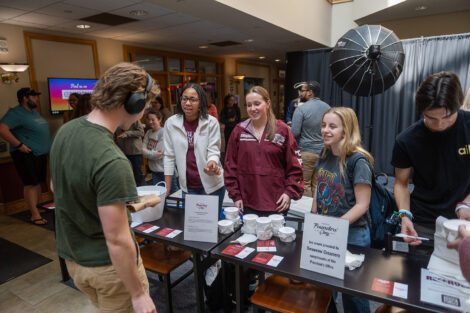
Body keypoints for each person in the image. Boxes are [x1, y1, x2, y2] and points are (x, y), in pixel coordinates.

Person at [49, 62, 158, 313]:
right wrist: (138, 293)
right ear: (134, 103)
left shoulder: (65, 131)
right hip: (111, 271)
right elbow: (117, 240)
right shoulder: (113, 160)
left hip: (75, 262)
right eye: (146, 105)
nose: (144, 112)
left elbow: (58, 188)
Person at [392, 72, 470, 249]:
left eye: (447, 117)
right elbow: (401, 183)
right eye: (431, 118)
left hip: (464, 221)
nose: (440, 125)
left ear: (461, 102)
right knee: (416, 273)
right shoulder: (407, 140)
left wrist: (467, 204)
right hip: (424, 223)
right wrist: (404, 215)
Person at [311, 107, 373, 313]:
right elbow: (319, 187)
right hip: (328, 232)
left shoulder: (358, 161)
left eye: (332, 126)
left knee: (353, 295)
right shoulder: (325, 153)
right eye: (323, 125)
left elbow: (362, 205)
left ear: (345, 131)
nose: (325, 130)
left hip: (352, 236)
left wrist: (334, 227)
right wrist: (314, 215)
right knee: (325, 291)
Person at [224, 86, 304, 217]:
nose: (253, 109)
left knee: (274, 238)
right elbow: (230, 166)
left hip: (277, 203)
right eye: (249, 105)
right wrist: (236, 195)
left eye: (257, 104)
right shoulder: (239, 131)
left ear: (267, 104)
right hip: (247, 203)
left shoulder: (282, 130)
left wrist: (289, 192)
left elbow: (295, 166)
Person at [163, 83, 225, 213]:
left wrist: (212, 163)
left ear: (201, 101)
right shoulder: (171, 123)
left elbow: (214, 150)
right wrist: (167, 188)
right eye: (184, 99)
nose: (187, 103)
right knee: (194, 228)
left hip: (212, 185)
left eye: (193, 99)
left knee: (211, 227)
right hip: (188, 187)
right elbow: (168, 156)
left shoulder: (211, 122)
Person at [0, 87, 51, 225]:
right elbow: (2, 129)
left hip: (39, 154)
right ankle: (34, 215)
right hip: (26, 154)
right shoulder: (15, 113)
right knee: (30, 184)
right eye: (34, 96)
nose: (37, 99)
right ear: (25, 98)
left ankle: (39, 208)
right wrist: (19, 145)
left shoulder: (33, 112)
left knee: (37, 182)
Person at [291, 81, 330, 197]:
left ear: (310, 92)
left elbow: (295, 132)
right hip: (323, 152)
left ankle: (307, 213)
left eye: (304, 90)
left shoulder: (301, 109)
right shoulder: (328, 108)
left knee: (305, 184)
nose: (302, 93)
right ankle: (317, 211)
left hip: (306, 152)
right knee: (318, 184)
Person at [142, 109, 178, 193]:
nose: (150, 122)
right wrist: (153, 154)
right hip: (154, 170)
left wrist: (148, 153)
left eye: (153, 119)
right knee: (160, 193)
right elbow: (142, 150)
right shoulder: (148, 132)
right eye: (148, 119)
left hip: (166, 170)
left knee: (173, 192)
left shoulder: (164, 132)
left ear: (159, 119)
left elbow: (160, 154)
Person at [115, 120, 145, 186]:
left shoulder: (134, 118)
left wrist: (127, 134)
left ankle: (142, 193)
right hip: (123, 152)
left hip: (135, 152)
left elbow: (141, 132)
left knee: (137, 175)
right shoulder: (115, 119)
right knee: (127, 176)